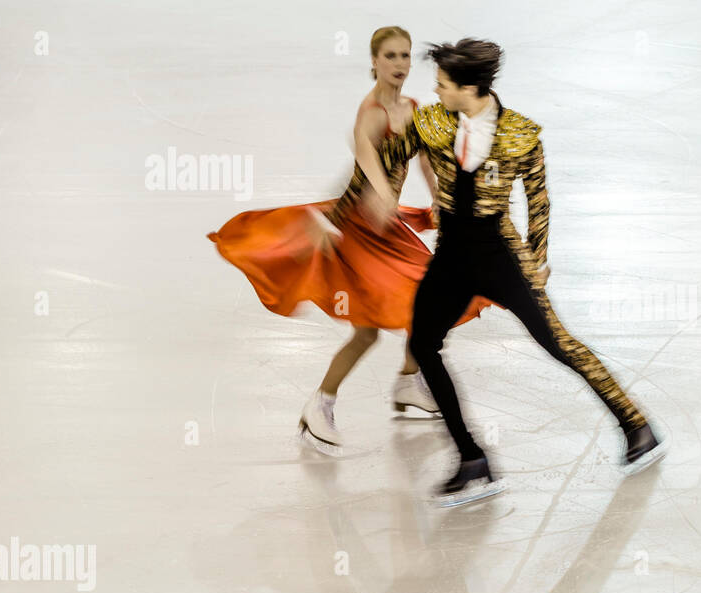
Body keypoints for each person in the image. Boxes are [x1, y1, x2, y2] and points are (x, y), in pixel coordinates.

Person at [373, 38, 665, 506]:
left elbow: (539, 197)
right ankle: (472, 460)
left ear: (469, 88)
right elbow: (390, 159)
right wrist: (371, 204)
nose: (436, 91)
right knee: (423, 344)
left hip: (501, 257)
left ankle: (636, 425)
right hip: (450, 258)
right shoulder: (429, 122)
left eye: (444, 85)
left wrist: (538, 256)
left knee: (558, 344)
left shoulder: (521, 134)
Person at [207, 26, 490, 454]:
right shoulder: (371, 112)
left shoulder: (413, 108)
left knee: (427, 303)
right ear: (374, 62)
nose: (399, 65)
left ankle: (410, 382)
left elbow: (428, 161)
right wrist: (374, 198)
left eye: (405, 56)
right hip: (360, 232)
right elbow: (363, 159)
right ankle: (320, 405)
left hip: (388, 229)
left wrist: (439, 203)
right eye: (390, 56)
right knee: (370, 332)